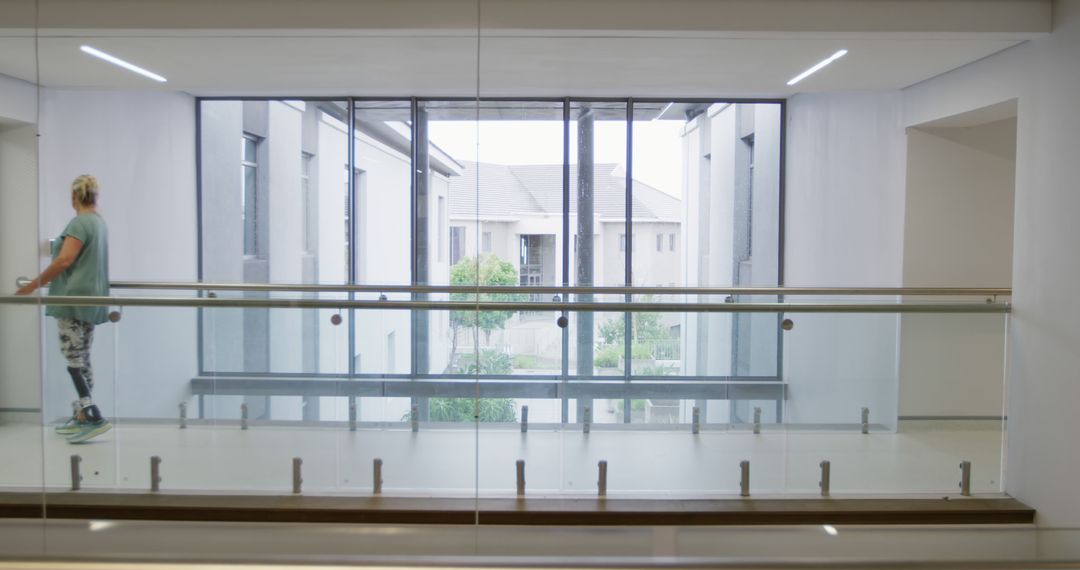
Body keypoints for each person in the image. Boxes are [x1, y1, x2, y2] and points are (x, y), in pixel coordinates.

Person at [17, 174, 112, 444]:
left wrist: (33, 285)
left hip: (72, 301)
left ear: (74, 197)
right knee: (83, 357)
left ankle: (92, 414)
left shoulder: (80, 223)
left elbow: (64, 260)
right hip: (92, 301)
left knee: (73, 358)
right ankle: (82, 414)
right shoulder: (99, 223)